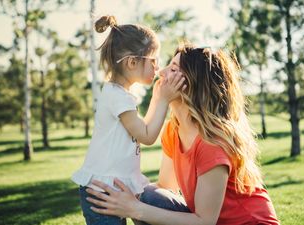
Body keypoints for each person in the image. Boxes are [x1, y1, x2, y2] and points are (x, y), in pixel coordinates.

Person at [85, 43, 280, 225]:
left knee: (145, 201)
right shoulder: (173, 130)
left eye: (173, 69)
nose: (160, 73)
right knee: (148, 194)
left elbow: (205, 221)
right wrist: (126, 196)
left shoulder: (211, 142)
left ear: (194, 83)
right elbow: (164, 187)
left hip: (250, 222)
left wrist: (135, 209)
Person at [71, 15, 185, 225]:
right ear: (132, 62)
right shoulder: (118, 97)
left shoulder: (120, 94)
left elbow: (144, 128)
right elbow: (148, 136)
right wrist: (163, 100)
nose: (158, 68)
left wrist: (159, 99)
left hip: (115, 187)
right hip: (102, 192)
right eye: (154, 61)